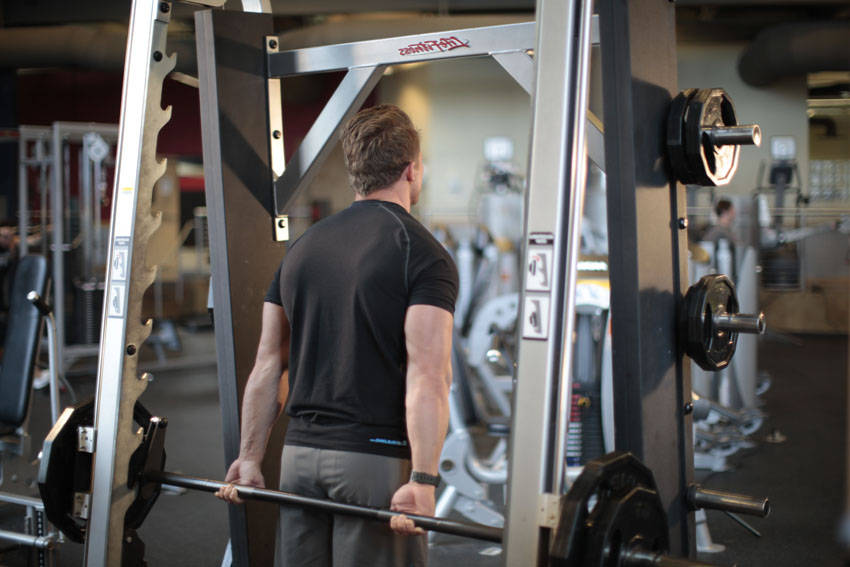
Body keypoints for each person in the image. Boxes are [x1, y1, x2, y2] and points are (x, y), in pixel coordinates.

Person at [215, 104, 459, 567]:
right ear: (412, 169)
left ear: (355, 173)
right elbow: (429, 378)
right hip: (373, 462)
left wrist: (249, 458)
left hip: (298, 460)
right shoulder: (423, 253)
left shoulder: (302, 249)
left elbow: (268, 365)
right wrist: (424, 480)